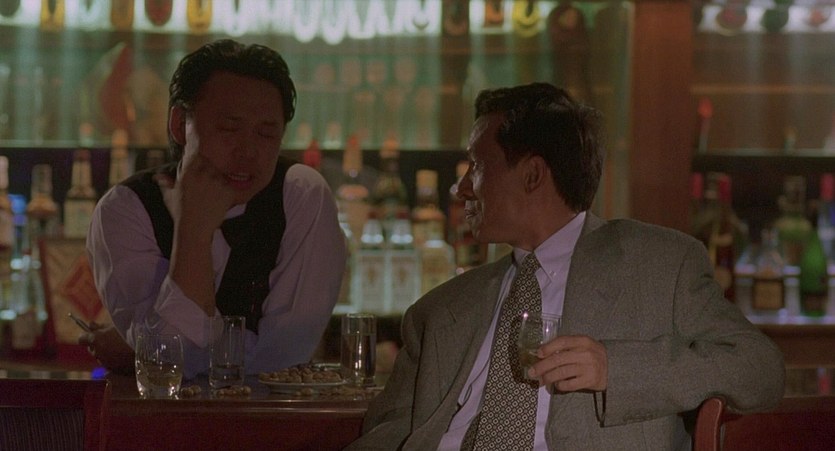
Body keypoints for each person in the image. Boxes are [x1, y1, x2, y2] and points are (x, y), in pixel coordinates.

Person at [347, 83, 784, 450]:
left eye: (476, 166)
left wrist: (615, 369)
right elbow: (386, 434)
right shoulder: (439, 310)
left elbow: (759, 370)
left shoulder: (658, 265)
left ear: (532, 175)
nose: (461, 188)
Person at [82, 39, 347, 378]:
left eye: (266, 134)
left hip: (274, 413)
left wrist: (139, 347)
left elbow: (283, 358)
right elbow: (166, 362)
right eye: (229, 128)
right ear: (180, 124)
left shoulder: (300, 194)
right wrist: (194, 232)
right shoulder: (126, 210)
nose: (248, 151)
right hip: (158, 412)